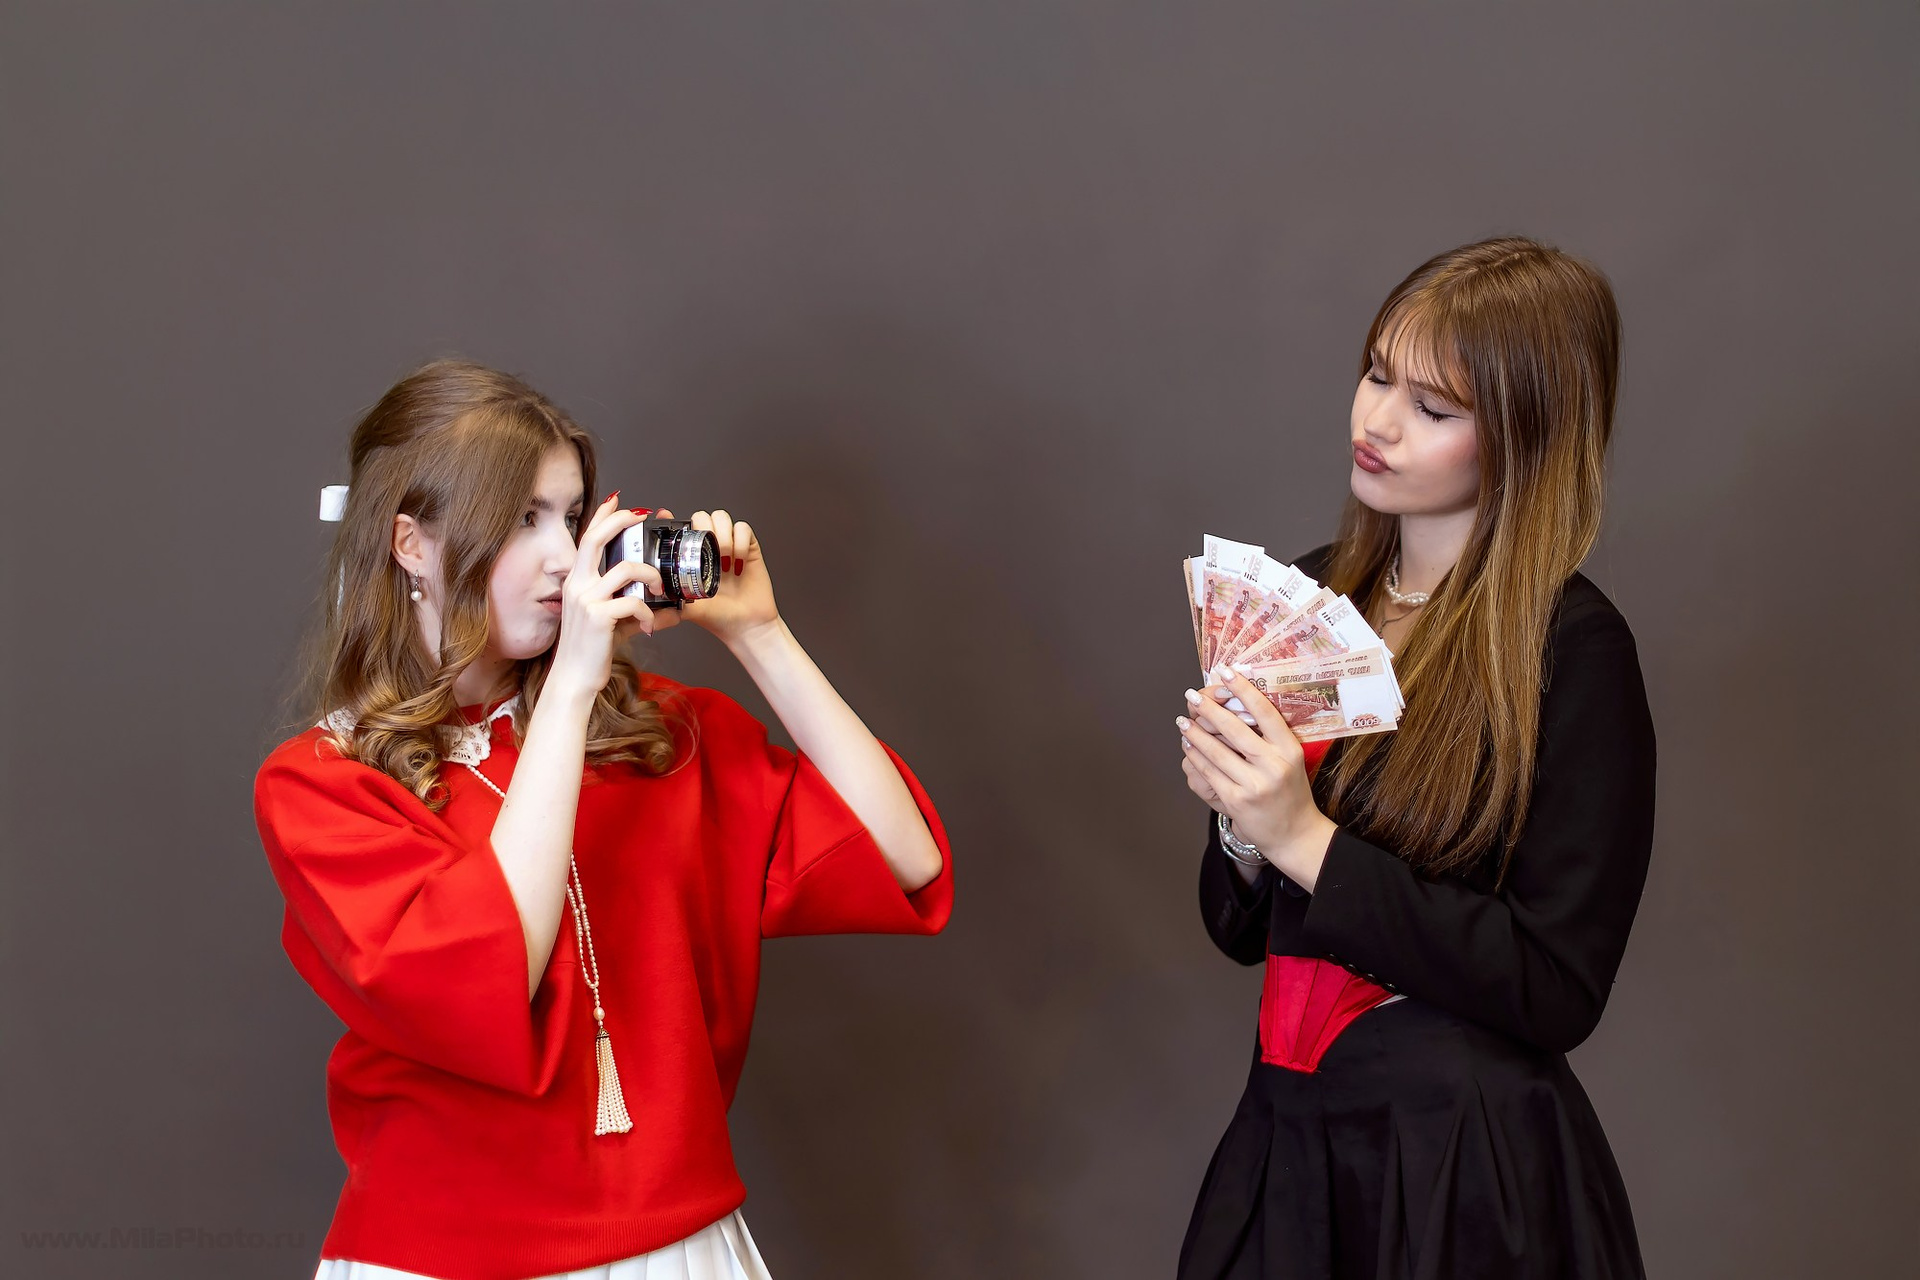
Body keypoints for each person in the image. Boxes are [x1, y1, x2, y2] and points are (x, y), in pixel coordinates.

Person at [254, 360, 952, 1280]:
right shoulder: (322, 786)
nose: (563, 555)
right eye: (522, 519)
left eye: (572, 516)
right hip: (446, 1261)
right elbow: (491, 966)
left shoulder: (658, 731)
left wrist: (759, 636)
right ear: (410, 543)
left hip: (677, 1246)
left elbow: (903, 856)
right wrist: (574, 686)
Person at [1174, 237, 1655, 1279]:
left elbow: (1558, 988)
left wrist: (1302, 836)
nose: (1378, 421)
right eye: (1377, 373)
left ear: (1525, 435)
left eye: (1433, 408)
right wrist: (1241, 830)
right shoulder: (1311, 595)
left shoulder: (1573, 649)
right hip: (1285, 1144)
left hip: (1461, 1171)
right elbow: (1238, 928)